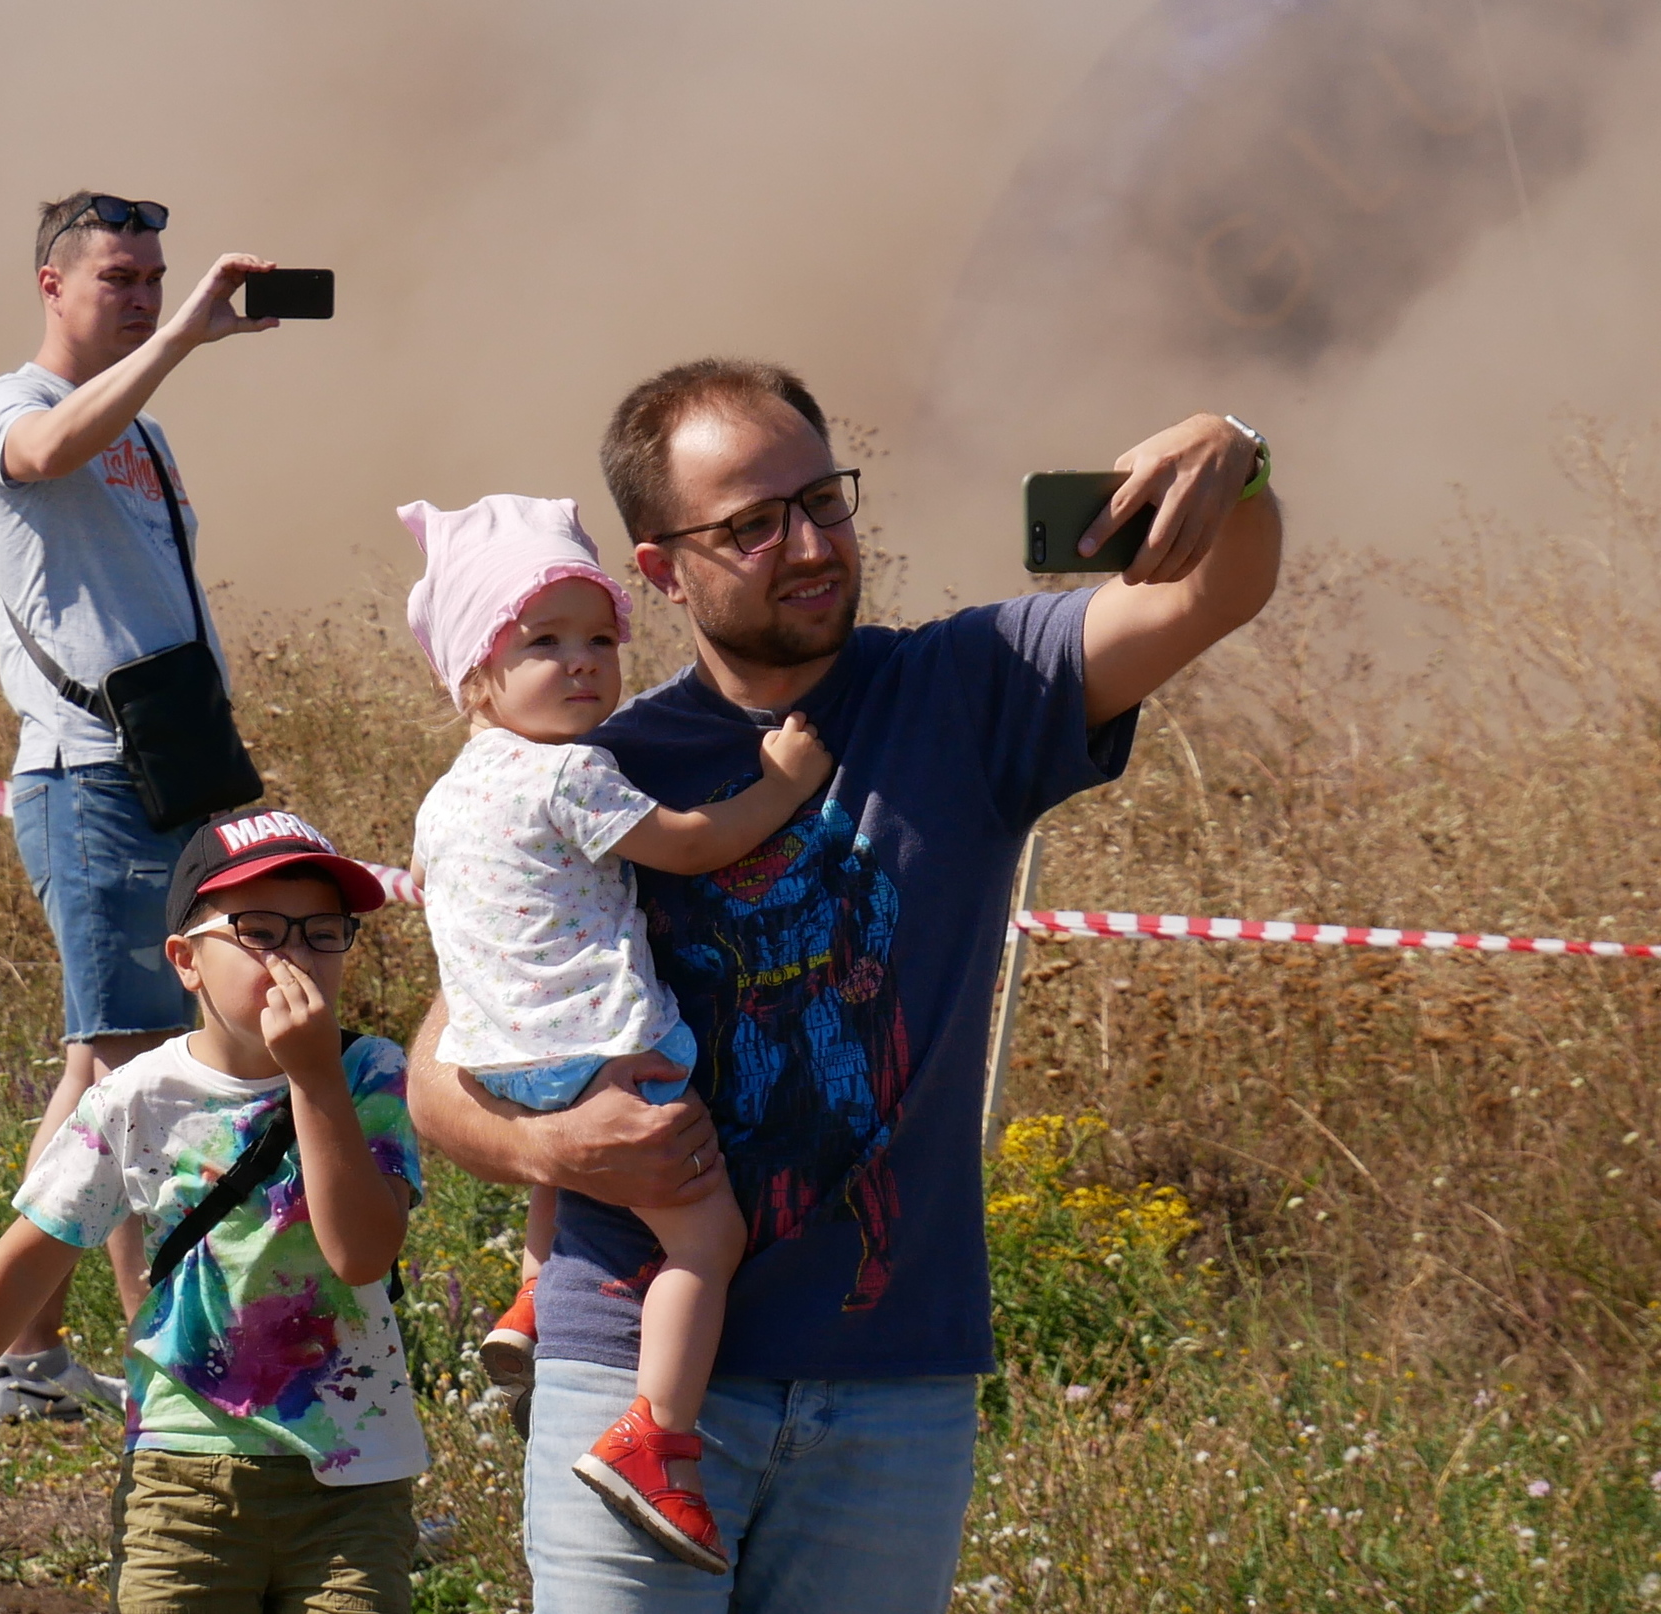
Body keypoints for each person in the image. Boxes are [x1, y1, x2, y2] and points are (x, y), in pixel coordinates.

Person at [406, 358, 1282, 1612]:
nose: (806, 544)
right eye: (750, 525)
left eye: (823, 500)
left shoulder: (972, 688)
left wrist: (1232, 459)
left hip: (891, 1387)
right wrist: (558, 1140)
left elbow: (1217, 593)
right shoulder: (594, 768)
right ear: (657, 569)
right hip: (632, 1377)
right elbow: (443, 1070)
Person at [400, 494, 831, 1573]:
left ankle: (533, 1301)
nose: (584, 664)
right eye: (543, 643)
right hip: (604, 1049)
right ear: (474, 674)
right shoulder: (572, 770)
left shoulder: (447, 796)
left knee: (572, 1150)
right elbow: (689, 846)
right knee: (704, 1239)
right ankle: (657, 1437)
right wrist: (782, 781)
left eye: (599, 639)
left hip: (501, 1058)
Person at [0, 808, 425, 1612]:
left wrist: (316, 1080)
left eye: (323, 931)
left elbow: (362, 1254)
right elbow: (27, 1261)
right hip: (182, 1478)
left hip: (352, 1482)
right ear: (187, 962)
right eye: (260, 930)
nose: (295, 954)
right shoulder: (136, 1096)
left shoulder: (368, 1074)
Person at [0, 191, 281, 1419]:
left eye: (154, 278)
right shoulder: (13, 405)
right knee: (117, 1061)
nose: (144, 296)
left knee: (131, 1060)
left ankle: (72, 1349)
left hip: (160, 773)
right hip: (84, 775)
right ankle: (64, 1354)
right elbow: (41, 459)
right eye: (119, 279)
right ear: (53, 285)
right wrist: (179, 341)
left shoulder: (142, 438)